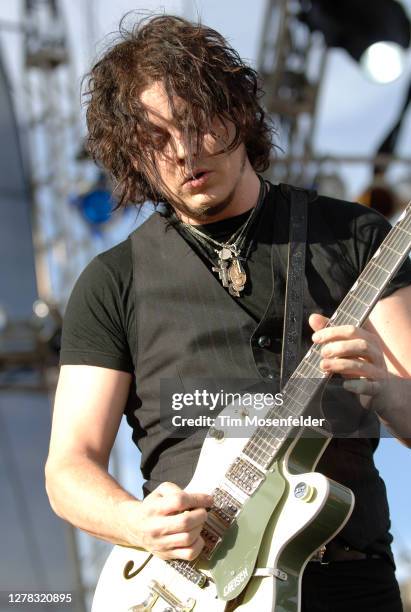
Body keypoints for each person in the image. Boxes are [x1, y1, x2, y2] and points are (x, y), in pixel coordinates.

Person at [45, 14, 411, 612]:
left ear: (239, 112)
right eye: (156, 139)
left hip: (346, 581)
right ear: (131, 156)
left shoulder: (352, 237)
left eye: (196, 124)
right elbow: (69, 467)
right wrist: (139, 526)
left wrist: (384, 385)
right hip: (189, 589)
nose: (184, 152)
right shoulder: (113, 279)